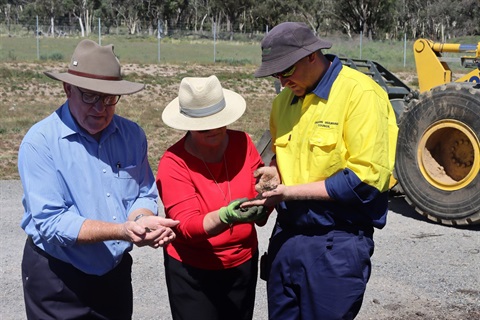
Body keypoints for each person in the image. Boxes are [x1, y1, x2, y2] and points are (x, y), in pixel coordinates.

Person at [245, 22, 399, 319]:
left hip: (336, 243)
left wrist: (289, 192)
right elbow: (283, 155)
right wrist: (275, 174)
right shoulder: (282, 102)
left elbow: (365, 180)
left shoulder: (361, 95)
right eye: (275, 73)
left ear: (311, 56)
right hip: (287, 238)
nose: (280, 79)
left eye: (285, 70)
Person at [18, 39, 179, 320]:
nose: (100, 107)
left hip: (113, 275)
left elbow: (143, 194)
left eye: (108, 98)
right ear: (67, 89)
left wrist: (141, 220)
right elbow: (52, 223)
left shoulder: (132, 136)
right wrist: (123, 230)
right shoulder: (40, 142)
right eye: (90, 96)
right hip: (57, 277)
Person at [156, 75, 269, 320]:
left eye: (218, 121)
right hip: (194, 272)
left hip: (242, 262)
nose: (214, 128)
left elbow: (260, 198)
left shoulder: (243, 143)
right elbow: (186, 226)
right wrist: (227, 215)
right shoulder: (174, 162)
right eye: (204, 124)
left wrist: (268, 198)